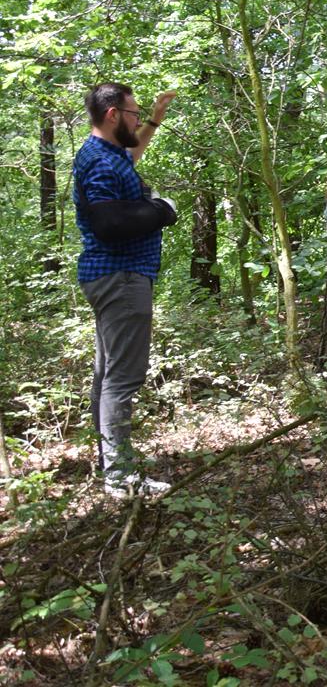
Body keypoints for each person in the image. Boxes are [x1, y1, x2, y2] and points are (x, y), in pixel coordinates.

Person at [73, 83, 179, 497]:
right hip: (121, 276)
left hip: (116, 276)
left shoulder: (106, 156)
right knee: (122, 378)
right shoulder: (99, 161)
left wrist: (153, 120)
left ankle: (110, 465)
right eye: (134, 114)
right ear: (114, 115)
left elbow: (129, 158)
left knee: (107, 373)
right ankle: (120, 477)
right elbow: (110, 225)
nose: (138, 120)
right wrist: (159, 211)